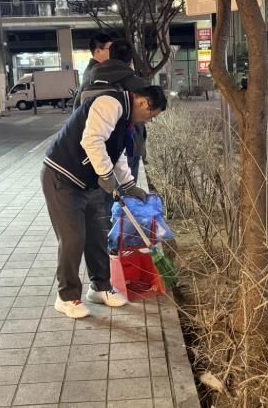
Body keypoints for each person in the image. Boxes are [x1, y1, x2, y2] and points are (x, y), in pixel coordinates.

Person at [42, 84, 168, 319]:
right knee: (73, 238)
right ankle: (66, 297)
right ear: (144, 102)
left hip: (87, 182)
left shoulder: (125, 119)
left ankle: (100, 287)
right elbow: (92, 140)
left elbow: (117, 153)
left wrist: (128, 185)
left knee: (98, 234)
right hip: (62, 177)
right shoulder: (110, 104)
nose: (149, 121)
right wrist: (106, 176)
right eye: (151, 115)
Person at [88, 40, 149, 181]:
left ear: (110, 56)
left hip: (98, 145)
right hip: (130, 144)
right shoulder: (140, 85)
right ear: (130, 60)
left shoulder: (90, 80)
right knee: (127, 188)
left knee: (104, 187)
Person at [74, 32, 113, 107]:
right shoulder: (97, 72)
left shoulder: (93, 69)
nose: (113, 52)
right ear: (98, 51)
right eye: (110, 49)